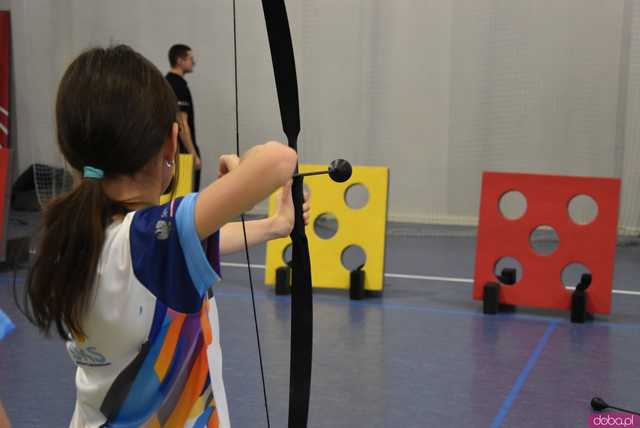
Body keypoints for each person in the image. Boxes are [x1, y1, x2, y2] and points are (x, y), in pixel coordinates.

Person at [23, 45, 308, 428]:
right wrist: (242, 169)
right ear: (172, 142)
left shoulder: (75, 235)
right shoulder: (148, 240)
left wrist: (273, 226)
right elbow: (279, 159)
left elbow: (176, 255)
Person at [165, 44, 202, 191]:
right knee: (185, 199)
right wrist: (193, 154)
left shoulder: (166, 82)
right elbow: (182, 124)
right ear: (180, 60)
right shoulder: (178, 86)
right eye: (190, 58)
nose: (194, 62)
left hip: (172, 152)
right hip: (182, 156)